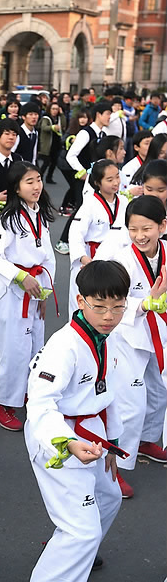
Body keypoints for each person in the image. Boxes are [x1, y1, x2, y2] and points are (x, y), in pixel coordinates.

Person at [21, 261, 129, 582]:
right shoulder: (62, 347)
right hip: (60, 440)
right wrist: (66, 444)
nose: (109, 317)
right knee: (81, 529)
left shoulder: (107, 336)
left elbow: (109, 393)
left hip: (94, 435)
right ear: (80, 301)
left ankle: (74, 548)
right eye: (100, 307)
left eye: (118, 307)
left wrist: (113, 443)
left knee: (110, 498)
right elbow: (40, 405)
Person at [95, 196, 167, 499]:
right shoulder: (123, 258)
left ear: (162, 226)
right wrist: (144, 303)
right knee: (131, 402)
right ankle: (116, 466)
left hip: (159, 333)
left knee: (159, 391)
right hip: (128, 334)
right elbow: (112, 298)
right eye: (133, 228)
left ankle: (149, 441)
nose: (140, 235)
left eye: (146, 228)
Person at [0, 161, 56, 431]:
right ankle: (1, 404)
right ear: (16, 187)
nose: (36, 186)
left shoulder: (38, 214)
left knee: (35, 347)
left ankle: (25, 392)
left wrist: (44, 292)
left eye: (38, 179)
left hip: (35, 289)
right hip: (13, 293)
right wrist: (20, 277)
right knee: (14, 351)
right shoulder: (9, 219)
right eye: (29, 181)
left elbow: (48, 257)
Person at [67, 159, 128, 317]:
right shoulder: (89, 205)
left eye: (117, 177)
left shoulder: (124, 202)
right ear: (97, 182)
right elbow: (75, 234)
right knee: (85, 306)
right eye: (109, 180)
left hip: (114, 258)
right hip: (90, 258)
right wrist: (84, 259)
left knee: (110, 304)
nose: (116, 182)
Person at [54, 102, 112, 256]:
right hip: (82, 178)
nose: (110, 117)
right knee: (81, 208)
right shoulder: (86, 133)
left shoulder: (102, 134)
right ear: (98, 115)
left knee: (89, 209)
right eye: (107, 113)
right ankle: (63, 241)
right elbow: (70, 155)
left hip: (95, 180)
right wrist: (83, 172)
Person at [37, 102, 66, 184]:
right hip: (47, 144)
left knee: (54, 162)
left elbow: (64, 125)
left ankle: (49, 178)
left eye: (56, 109)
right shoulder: (46, 118)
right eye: (53, 109)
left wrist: (62, 114)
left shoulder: (58, 118)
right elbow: (44, 127)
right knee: (46, 162)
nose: (55, 111)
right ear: (49, 109)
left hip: (56, 143)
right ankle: (39, 178)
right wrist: (52, 127)